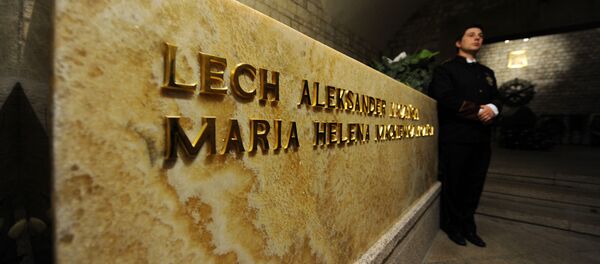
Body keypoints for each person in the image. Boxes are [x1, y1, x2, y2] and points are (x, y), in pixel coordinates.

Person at [428, 25, 502, 247]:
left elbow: (497, 98)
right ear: (458, 43)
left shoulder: (487, 73)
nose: (477, 39)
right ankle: (452, 225)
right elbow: (443, 97)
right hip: (456, 137)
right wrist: (478, 111)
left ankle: (469, 225)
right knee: (455, 183)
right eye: (471, 35)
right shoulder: (447, 70)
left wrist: (494, 109)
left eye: (480, 36)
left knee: (475, 184)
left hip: (481, 139)